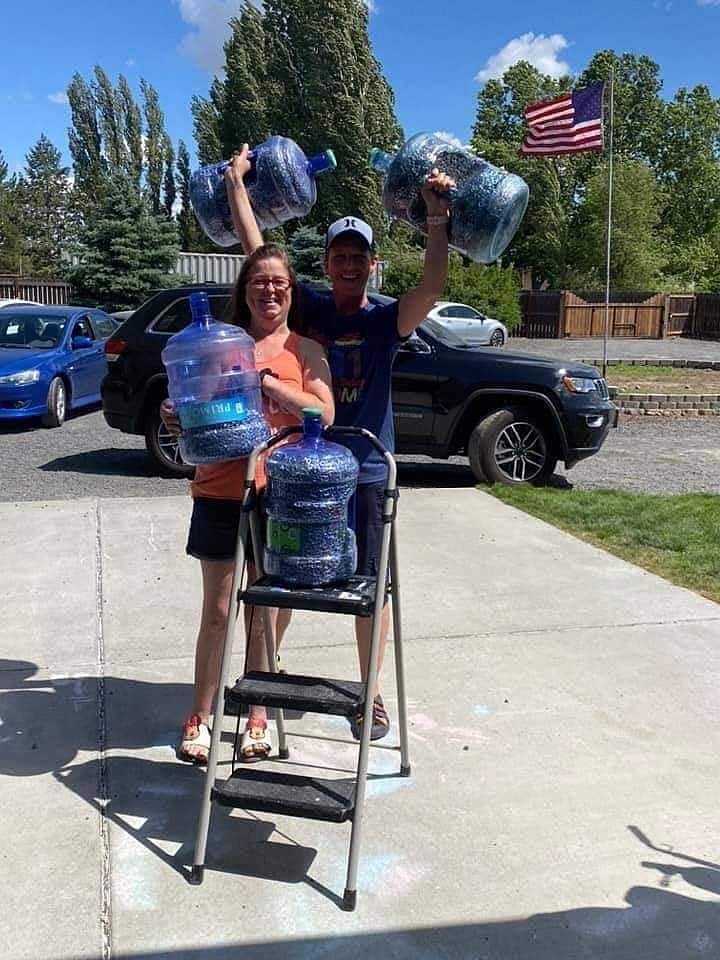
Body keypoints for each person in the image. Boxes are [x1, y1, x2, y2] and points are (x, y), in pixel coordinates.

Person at [224, 146, 454, 742]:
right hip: (300, 476)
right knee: (285, 577)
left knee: (369, 588)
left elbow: (431, 284)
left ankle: (369, 695)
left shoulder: (384, 321)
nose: (349, 265)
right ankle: (264, 686)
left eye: (359, 257)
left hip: (368, 476)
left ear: (373, 265)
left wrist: (435, 216)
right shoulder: (315, 311)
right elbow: (259, 261)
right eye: (339, 256)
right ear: (327, 265)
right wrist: (238, 191)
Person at [162, 244, 334, 763]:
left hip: (276, 495)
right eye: (258, 280)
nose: (269, 289)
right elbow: (196, 407)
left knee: (261, 612)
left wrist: (264, 381)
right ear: (245, 290)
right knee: (216, 611)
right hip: (218, 489)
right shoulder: (214, 346)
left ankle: (257, 713)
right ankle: (200, 714)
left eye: (279, 281)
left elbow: (322, 414)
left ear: (291, 291)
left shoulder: (306, 351)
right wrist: (178, 417)